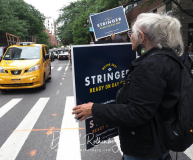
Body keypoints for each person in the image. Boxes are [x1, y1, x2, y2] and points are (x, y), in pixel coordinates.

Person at [72, 13, 184, 160]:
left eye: (131, 33)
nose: (130, 37)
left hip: (144, 149)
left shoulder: (150, 66)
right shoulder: (169, 58)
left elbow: (137, 113)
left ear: (142, 37)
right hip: (160, 141)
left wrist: (94, 109)